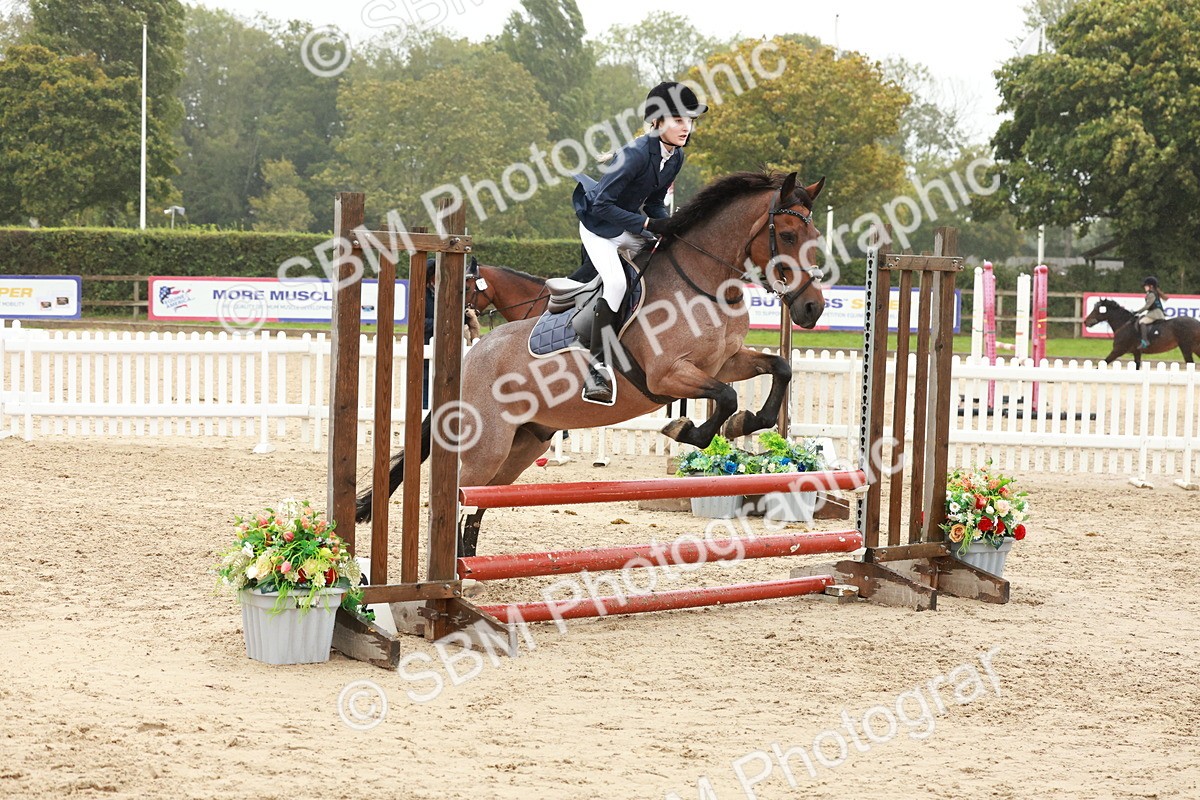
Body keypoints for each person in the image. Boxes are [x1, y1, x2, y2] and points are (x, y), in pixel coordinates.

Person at [571, 81, 707, 404]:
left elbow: (656, 202)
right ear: (658, 121)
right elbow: (602, 204)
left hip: (627, 225)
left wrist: (672, 225)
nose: (686, 127)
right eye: (678, 120)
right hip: (598, 226)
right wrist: (648, 223)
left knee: (661, 263)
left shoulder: (675, 157)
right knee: (617, 283)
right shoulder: (634, 155)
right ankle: (596, 367)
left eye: (689, 120)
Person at [422, 255, 480, 409]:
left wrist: (465, 318)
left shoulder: (443, 292)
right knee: (426, 382)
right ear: (430, 277)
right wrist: (443, 323)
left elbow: (451, 315)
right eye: (437, 275)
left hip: (447, 347)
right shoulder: (421, 295)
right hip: (426, 344)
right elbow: (421, 322)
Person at [1134, 275, 1167, 349]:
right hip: (1157, 313)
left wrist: (1137, 312)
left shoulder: (1151, 294)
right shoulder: (1154, 292)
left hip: (1155, 314)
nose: (1144, 287)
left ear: (1151, 286)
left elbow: (1147, 306)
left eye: (1146, 286)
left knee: (1142, 322)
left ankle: (1145, 341)